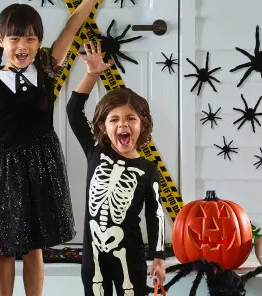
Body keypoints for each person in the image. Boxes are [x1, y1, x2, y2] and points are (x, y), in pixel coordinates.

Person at [0, 2, 98, 295]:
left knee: (35, 246)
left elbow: (72, 25)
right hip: (4, 171)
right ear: (1, 40)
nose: (23, 46)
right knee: (6, 247)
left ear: (39, 41)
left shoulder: (46, 68)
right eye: (15, 38)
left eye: (31, 39)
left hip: (41, 166)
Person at [66, 41, 166, 296]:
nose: (123, 124)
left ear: (142, 125)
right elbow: (74, 111)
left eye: (131, 118)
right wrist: (91, 75)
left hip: (130, 257)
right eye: (114, 119)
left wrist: (158, 256)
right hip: (94, 258)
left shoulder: (147, 169)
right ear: (102, 127)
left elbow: (155, 215)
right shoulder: (96, 152)